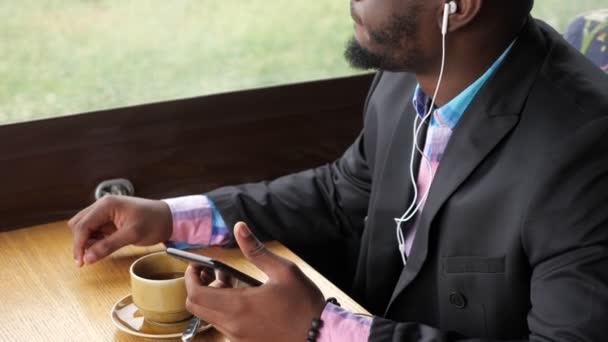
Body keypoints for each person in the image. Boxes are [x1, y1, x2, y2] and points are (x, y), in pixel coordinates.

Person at [69, 0, 608, 340]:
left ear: (457, 7)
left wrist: (317, 330)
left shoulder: (586, 153)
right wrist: (172, 218)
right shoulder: (409, 75)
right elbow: (341, 195)